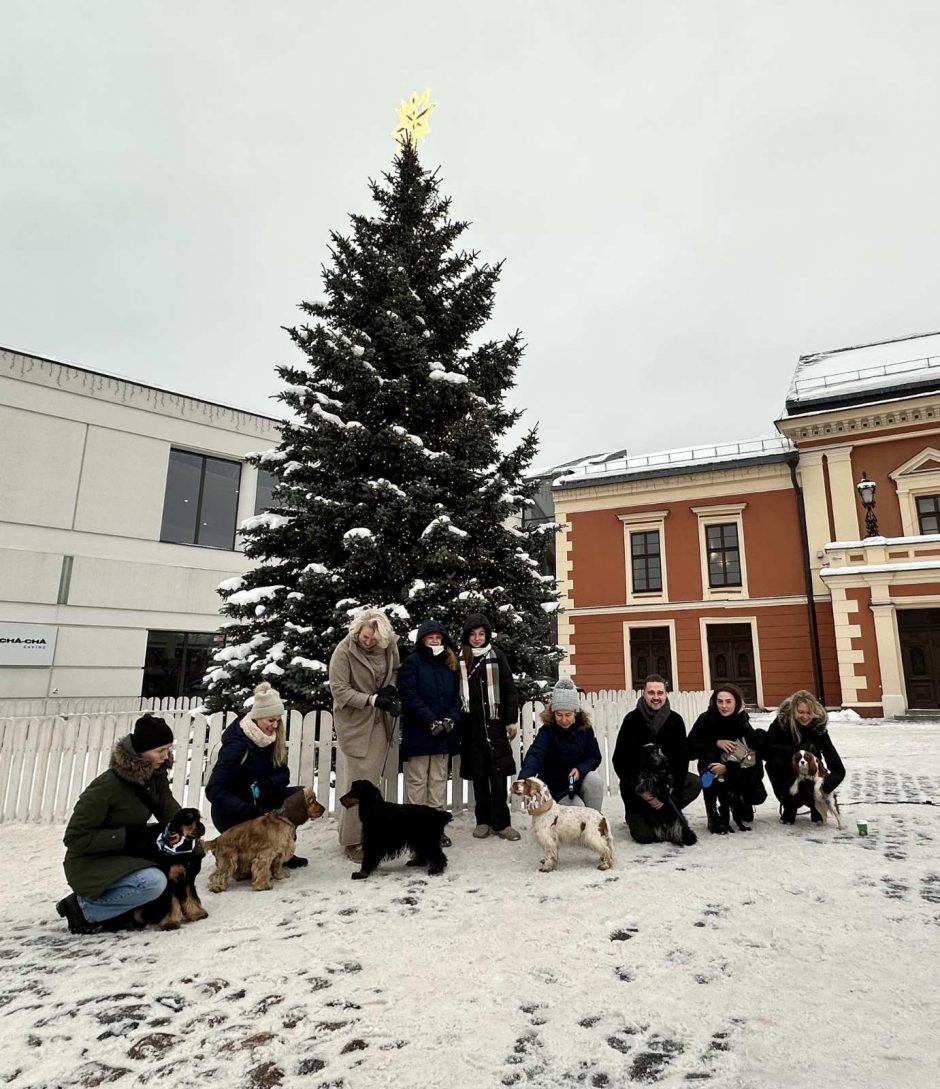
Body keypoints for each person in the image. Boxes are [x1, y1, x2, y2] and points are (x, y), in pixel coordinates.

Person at [56, 714, 194, 934]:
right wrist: (129, 835)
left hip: (125, 853)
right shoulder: (106, 787)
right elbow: (74, 838)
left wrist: (186, 832)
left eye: (168, 749)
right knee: (153, 883)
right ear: (140, 752)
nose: (166, 756)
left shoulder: (154, 778)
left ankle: (121, 910)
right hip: (90, 862)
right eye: (160, 751)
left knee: (177, 863)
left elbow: (170, 812)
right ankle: (83, 909)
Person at [205, 681, 308, 868]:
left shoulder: (272, 741)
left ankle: (283, 851)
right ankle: (238, 851)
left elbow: (284, 774)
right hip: (234, 811)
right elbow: (214, 789)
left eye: (278, 720)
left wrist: (268, 784)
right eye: (271, 720)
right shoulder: (236, 746)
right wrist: (245, 808)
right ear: (258, 718)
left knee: (298, 796)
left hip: (260, 800)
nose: (275, 725)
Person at [329, 608, 401, 862]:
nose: (368, 641)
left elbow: (394, 670)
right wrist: (372, 699)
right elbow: (339, 690)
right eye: (365, 636)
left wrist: (390, 689)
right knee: (359, 783)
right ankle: (351, 839)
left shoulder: (389, 645)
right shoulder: (344, 651)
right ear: (358, 630)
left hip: (380, 723)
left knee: (372, 782)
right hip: (355, 723)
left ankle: (370, 831)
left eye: (373, 639)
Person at [612, 674, 701, 843]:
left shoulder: (675, 720)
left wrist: (671, 794)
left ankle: (665, 810)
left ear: (666, 694)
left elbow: (681, 760)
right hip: (638, 787)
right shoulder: (632, 720)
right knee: (645, 838)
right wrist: (644, 792)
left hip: (665, 785)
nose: (656, 697)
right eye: (651, 693)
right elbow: (620, 760)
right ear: (644, 694)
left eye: (660, 693)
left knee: (694, 782)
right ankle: (637, 816)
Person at [456, 613, 521, 841]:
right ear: (467, 636)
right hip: (471, 729)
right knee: (479, 777)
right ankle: (482, 821)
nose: (477, 638)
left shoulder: (497, 656)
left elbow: (509, 689)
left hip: (495, 726)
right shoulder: (460, 659)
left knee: (498, 776)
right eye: (473, 634)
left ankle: (502, 823)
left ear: (487, 635)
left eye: (481, 634)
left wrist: (511, 719)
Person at [398, 619, 461, 842]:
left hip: (443, 734)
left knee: (438, 782)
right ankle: (415, 830)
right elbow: (409, 695)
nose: (434, 641)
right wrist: (430, 720)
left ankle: (435, 829)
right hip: (419, 733)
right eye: (430, 637)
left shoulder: (450, 663)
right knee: (416, 784)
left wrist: (449, 719)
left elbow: (457, 698)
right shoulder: (412, 663)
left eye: (437, 637)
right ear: (423, 639)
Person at [688, 684, 767, 833]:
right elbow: (690, 748)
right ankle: (712, 813)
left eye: (728, 701)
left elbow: (752, 755)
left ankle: (742, 800)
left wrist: (728, 767)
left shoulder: (742, 721)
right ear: (714, 702)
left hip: (735, 771)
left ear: (736, 702)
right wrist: (715, 742)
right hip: (713, 769)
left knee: (754, 802)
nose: (724, 706)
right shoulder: (705, 719)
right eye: (720, 701)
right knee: (709, 761)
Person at [517, 678, 604, 811]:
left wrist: (580, 770)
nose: (563, 720)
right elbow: (535, 755)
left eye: (568, 715)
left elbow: (594, 757)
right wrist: (525, 779)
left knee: (594, 780)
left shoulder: (585, 729)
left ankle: (595, 821)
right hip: (557, 789)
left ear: (576, 712)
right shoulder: (547, 732)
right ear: (553, 713)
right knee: (578, 810)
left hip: (578, 782)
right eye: (559, 715)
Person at [765, 690, 845, 824]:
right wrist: (792, 751)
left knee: (813, 776)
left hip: (812, 776)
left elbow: (837, 767)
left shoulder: (818, 729)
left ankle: (816, 807)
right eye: (800, 712)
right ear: (792, 711)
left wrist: (825, 787)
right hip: (786, 773)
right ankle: (789, 806)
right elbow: (766, 750)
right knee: (774, 763)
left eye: (809, 713)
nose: (805, 717)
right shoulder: (781, 725)